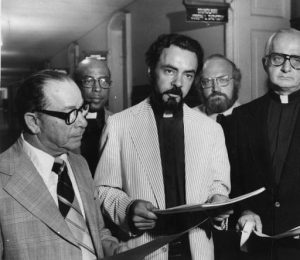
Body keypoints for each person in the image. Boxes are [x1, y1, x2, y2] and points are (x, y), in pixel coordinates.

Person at [95, 33, 231, 260]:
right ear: (150, 71)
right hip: (144, 251)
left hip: (197, 252)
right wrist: (128, 209)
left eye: (188, 74)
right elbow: (102, 191)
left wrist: (218, 200)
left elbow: (218, 185)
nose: (178, 83)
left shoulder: (211, 129)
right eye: (169, 71)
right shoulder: (119, 124)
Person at [0, 70, 123, 259]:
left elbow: (97, 231)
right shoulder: (3, 178)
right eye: (70, 114)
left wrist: (113, 248)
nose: (82, 122)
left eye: (82, 109)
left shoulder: (80, 164)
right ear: (34, 122)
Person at [223, 28, 300, 259]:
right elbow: (229, 180)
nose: (287, 68)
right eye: (278, 58)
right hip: (255, 248)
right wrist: (243, 210)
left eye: (297, 60)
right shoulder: (240, 117)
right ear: (265, 62)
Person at [74, 58, 112, 176]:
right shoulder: (61, 124)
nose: (97, 88)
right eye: (89, 81)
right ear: (76, 84)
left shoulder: (120, 124)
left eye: (104, 81)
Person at [194, 54, 241, 122]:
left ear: (235, 82)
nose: (216, 89)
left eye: (223, 80)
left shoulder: (249, 119)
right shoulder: (188, 118)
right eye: (208, 81)